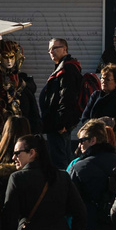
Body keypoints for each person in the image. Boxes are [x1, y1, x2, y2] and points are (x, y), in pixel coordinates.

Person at [38, 38, 86, 167]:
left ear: (65, 49)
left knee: (60, 159)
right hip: (56, 123)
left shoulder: (67, 69)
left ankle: (64, 183)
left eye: (54, 48)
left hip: (58, 124)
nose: (51, 51)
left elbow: (67, 97)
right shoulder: (63, 67)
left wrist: (61, 123)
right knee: (63, 155)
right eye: (49, 49)